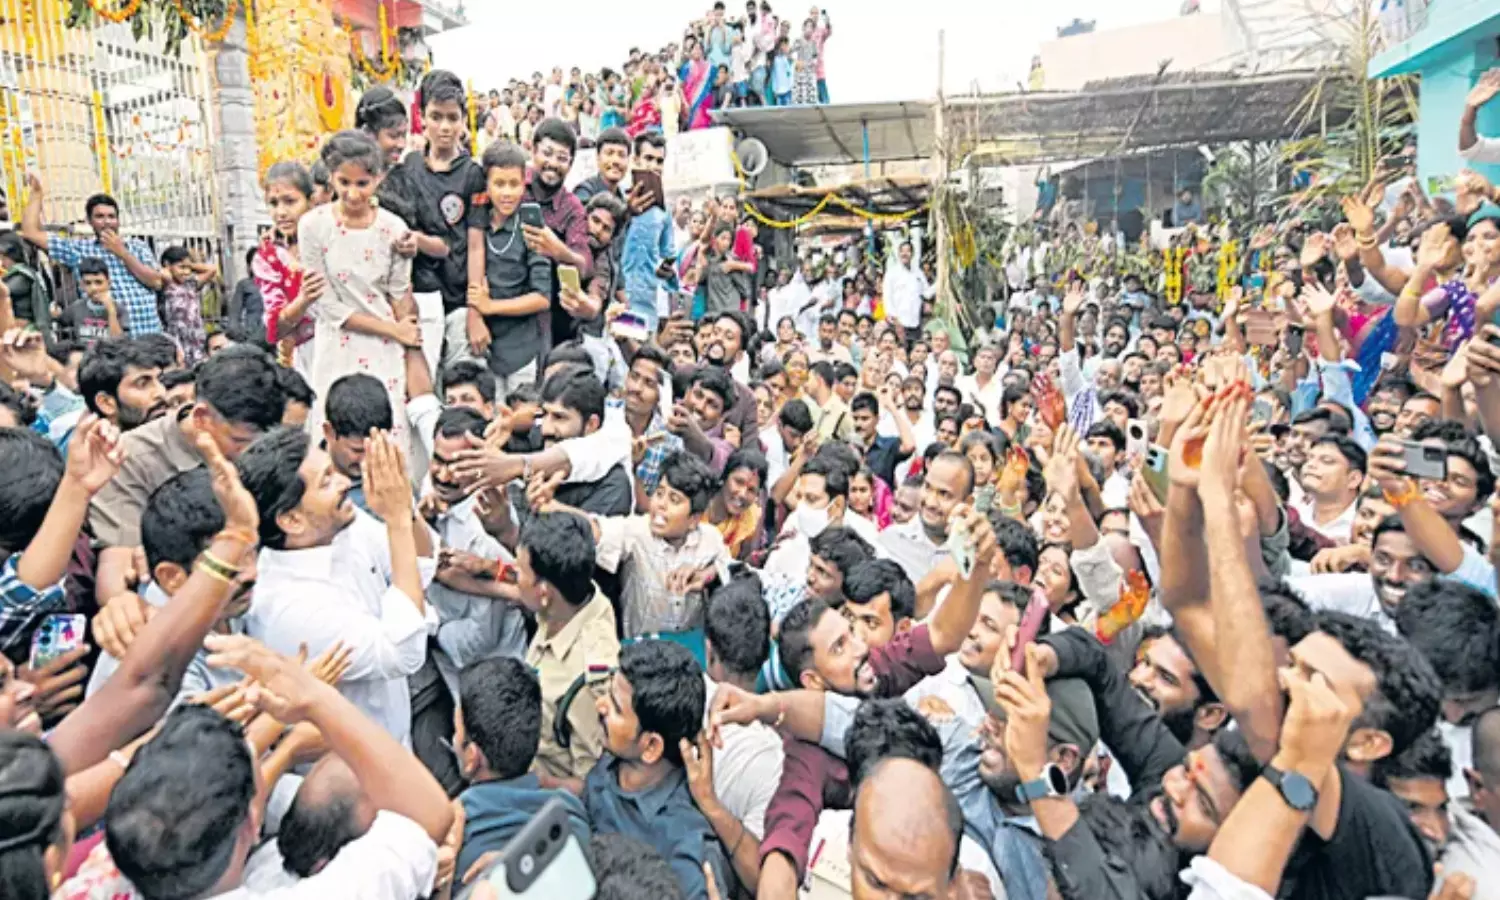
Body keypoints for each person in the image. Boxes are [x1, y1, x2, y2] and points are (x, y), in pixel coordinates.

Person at [236, 425, 435, 745]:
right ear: (292, 520)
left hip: (396, 736)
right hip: (351, 767)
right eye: (327, 480)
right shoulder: (289, 609)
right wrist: (397, 519)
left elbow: (421, 564)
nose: (344, 483)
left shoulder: (340, 522)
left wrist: (405, 510)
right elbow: (404, 652)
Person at [89, 346, 284, 604]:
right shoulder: (129, 458)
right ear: (201, 417)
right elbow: (115, 578)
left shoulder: (271, 447)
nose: (251, 454)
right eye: (240, 441)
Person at [584, 639, 732, 899]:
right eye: (607, 692)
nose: (600, 706)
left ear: (651, 747)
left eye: (616, 708)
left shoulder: (687, 850)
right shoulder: (613, 763)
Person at [299, 131, 419, 450]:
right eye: (344, 182)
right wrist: (393, 330)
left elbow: (399, 294)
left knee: (385, 438)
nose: (353, 194)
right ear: (331, 177)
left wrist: (407, 339)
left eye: (362, 183)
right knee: (335, 436)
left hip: (385, 351)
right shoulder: (312, 226)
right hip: (337, 345)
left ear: (379, 178)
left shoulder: (394, 229)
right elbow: (327, 306)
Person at [453, 656, 591, 878]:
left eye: (457, 731)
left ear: (472, 757)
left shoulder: (452, 842)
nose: (453, 739)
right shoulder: (572, 815)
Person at [389, 70, 487, 382]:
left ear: (463, 121)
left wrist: (475, 311)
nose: (445, 127)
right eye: (436, 116)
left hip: (459, 301)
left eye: (452, 118)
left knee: (463, 386)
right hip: (420, 298)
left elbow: (476, 245)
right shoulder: (409, 167)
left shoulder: (473, 174)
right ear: (421, 118)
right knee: (422, 384)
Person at [517, 510, 622, 790]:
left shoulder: (587, 681)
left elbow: (592, 785)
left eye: (520, 573)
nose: (516, 578)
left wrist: (540, 783)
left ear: (544, 592)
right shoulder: (576, 599)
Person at [19, 175, 164, 335]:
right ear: (89, 220)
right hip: (109, 341)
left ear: (118, 220)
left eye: (111, 216)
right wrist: (37, 194)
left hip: (149, 335)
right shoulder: (79, 249)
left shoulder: (138, 246)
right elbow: (31, 232)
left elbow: (156, 282)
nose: (107, 222)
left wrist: (122, 252)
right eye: (100, 217)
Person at [464, 142, 552, 393]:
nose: (507, 193)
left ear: (524, 184)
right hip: (484, 343)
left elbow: (542, 298)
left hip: (521, 347)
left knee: (520, 410)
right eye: (499, 184)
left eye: (514, 184)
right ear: (487, 185)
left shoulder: (531, 227)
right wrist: (476, 312)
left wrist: (490, 306)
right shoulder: (478, 222)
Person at [254, 162, 320, 380]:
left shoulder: (331, 237)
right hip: (304, 358)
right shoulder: (269, 257)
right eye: (273, 203)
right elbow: (275, 328)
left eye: (290, 201)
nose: (281, 212)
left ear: (311, 201)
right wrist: (303, 301)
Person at [157, 246, 217, 368]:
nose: (186, 272)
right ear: (167, 264)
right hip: (176, 339)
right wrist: (167, 268)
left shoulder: (190, 283)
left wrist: (189, 264)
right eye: (181, 267)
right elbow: (164, 274)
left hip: (196, 337)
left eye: (188, 268)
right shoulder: (165, 284)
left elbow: (212, 269)